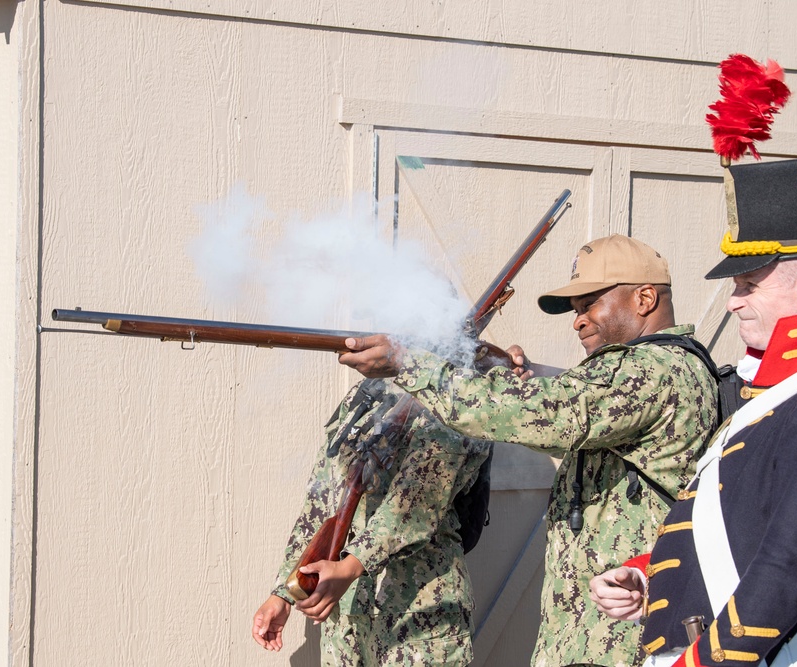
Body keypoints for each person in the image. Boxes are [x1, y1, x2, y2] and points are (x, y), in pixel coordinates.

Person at [338, 234, 720, 667]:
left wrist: (410, 363)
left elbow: (547, 413)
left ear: (645, 298)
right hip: (594, 634)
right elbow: (570, 400)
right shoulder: (641, 371)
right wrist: (513, 373)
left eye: (590, 305)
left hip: (626, 638)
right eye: (577, 311)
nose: (578, 321)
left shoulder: (655, 369)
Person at [589, 154, 797, 667]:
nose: (733, 301)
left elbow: (796, 563)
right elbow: (745, 530)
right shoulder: (773, 392)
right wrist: (652, 577)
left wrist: (704, 661)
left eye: (748, 285)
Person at [251, 378, 491, 666]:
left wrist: (350, 565)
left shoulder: (459, 390)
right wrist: (287, 591)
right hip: (346, 617)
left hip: (418, 618)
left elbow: (415, 502)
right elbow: (322, 501)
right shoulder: (369, 391)